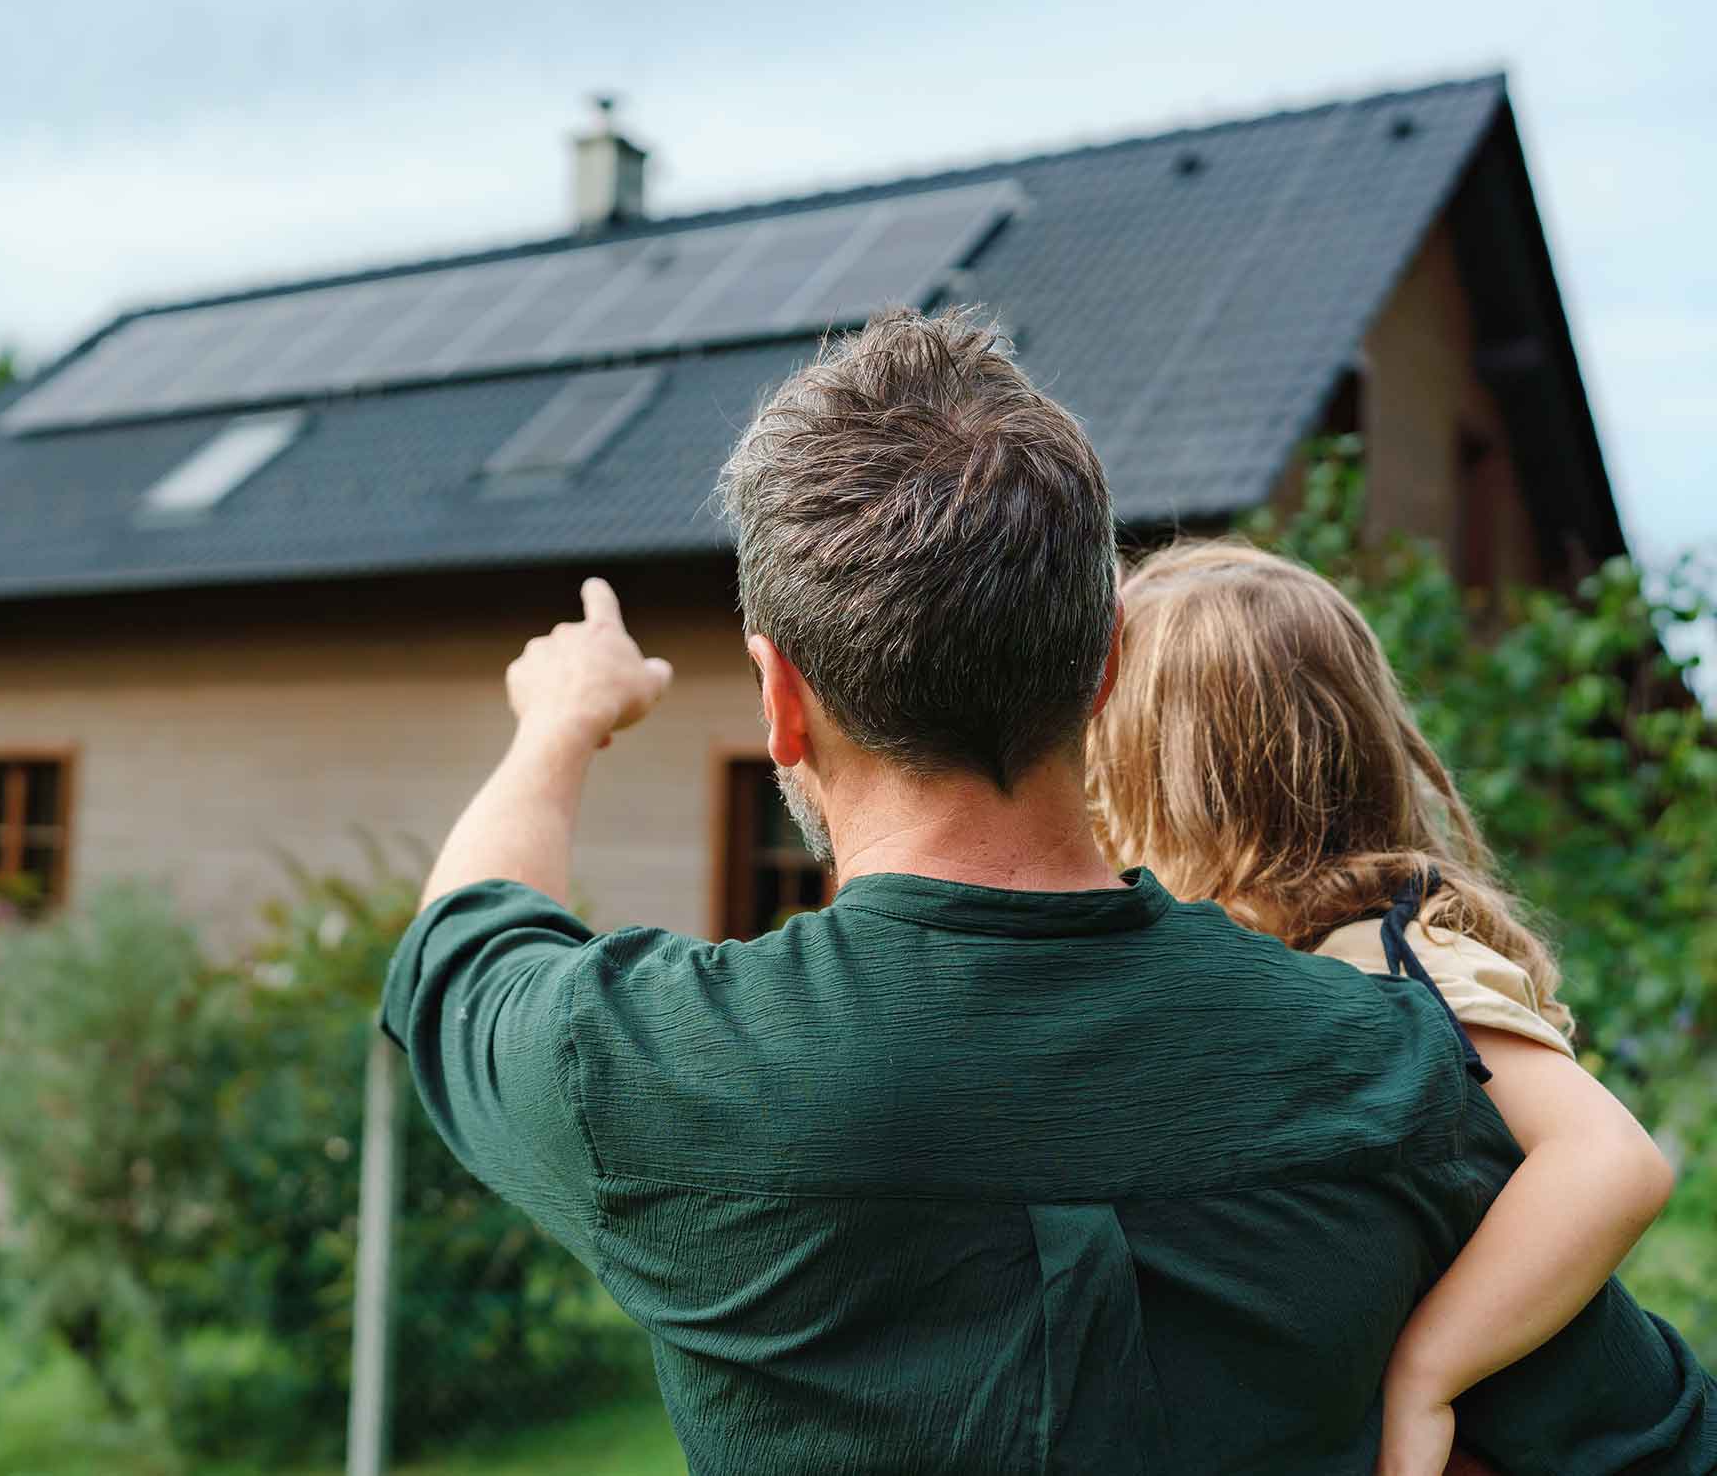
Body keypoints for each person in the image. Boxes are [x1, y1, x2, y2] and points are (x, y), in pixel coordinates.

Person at [379, 308, 1716, 1474]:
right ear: (1104, 662)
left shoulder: (649, 1068)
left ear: (781, 698)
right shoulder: (1386, 1068)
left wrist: (562, 719)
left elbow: (463, 940)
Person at [1088, 540, 1680, 1476]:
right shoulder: (1297, 961)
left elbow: (1613, 1162)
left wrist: (1425, 1372)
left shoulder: (1397, 956)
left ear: (1180, 790)